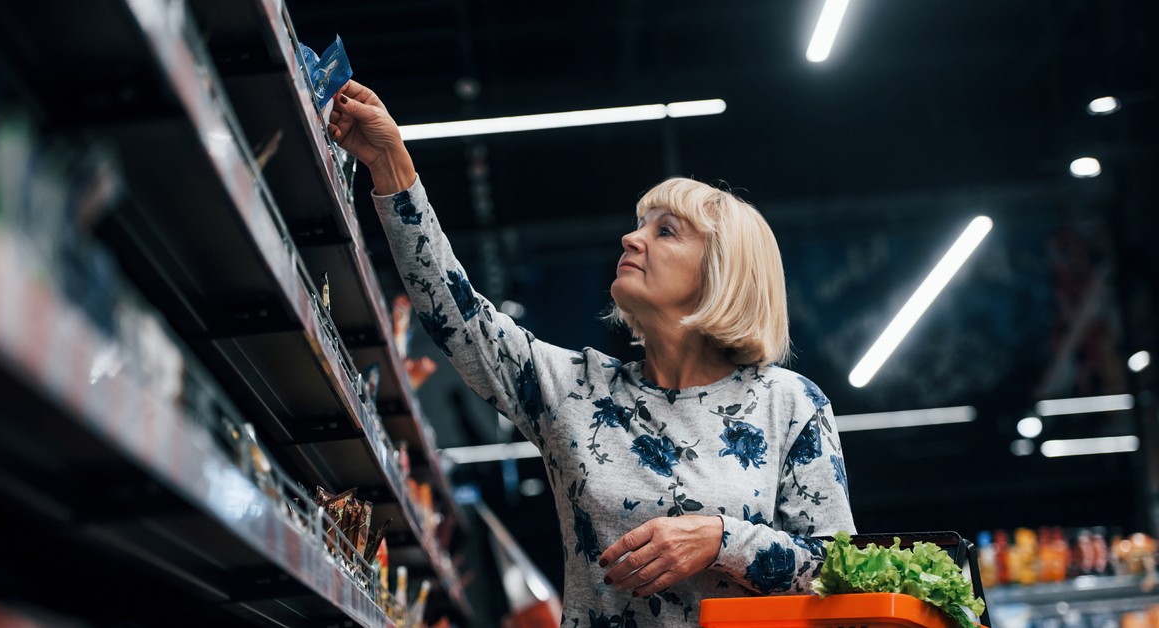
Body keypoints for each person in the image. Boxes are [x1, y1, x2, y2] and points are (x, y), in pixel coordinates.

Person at [328, 80, 856, 626]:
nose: (632, 239)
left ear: (721, 272)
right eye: (638, 225)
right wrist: (390, 162)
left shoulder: (788, 404)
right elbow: (455, 313)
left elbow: (837, 573)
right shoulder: (576, 390)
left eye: (666, 231)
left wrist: (723, 540)